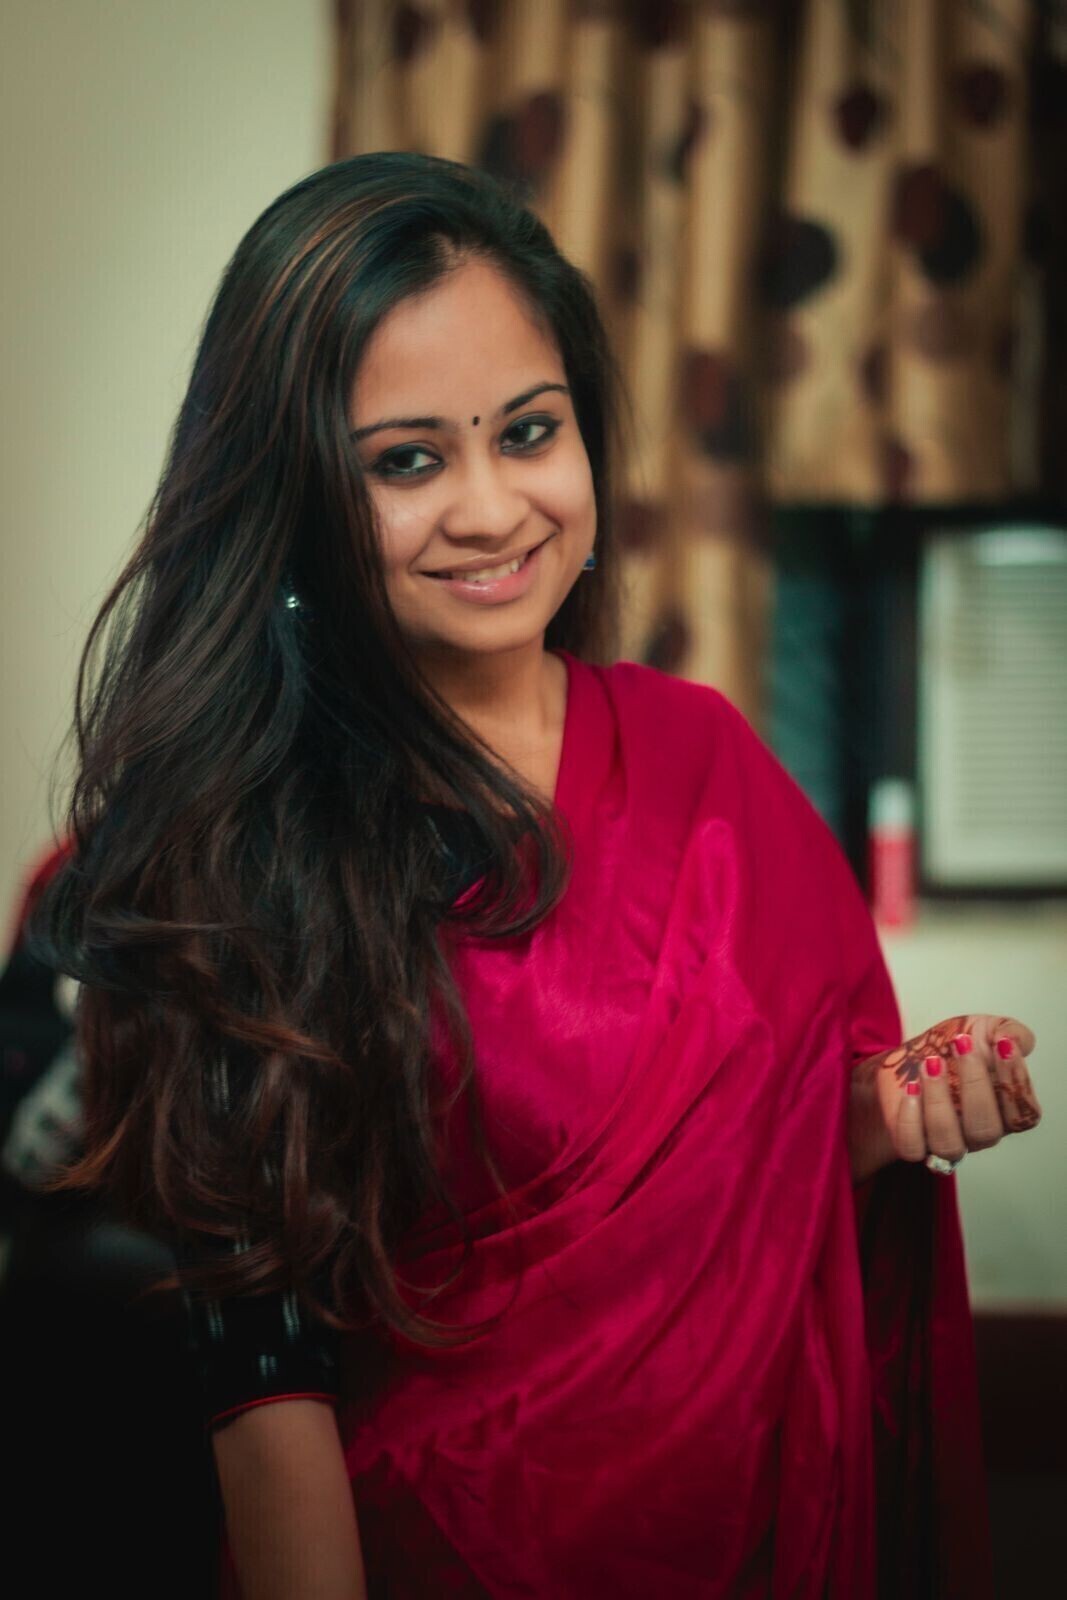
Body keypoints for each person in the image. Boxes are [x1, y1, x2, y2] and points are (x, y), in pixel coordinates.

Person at [27, 150, 1042, 1600]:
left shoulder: (708, 760)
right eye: (408, 460)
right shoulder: (247, 849)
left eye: (528, 431)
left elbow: (757, 1148)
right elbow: (265, 1378)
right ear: (296, 497)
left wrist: (890, 1108)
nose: (493, 507)